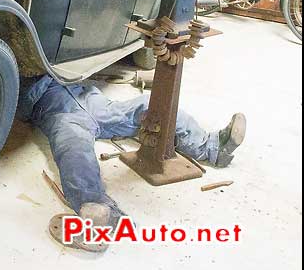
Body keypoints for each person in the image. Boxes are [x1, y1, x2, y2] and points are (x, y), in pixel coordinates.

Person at [20, 74, 246, 252]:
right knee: (72, 144)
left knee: (151, 104)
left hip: (91, 99)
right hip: (54, 109)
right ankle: (97, 210)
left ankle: (212, 147)